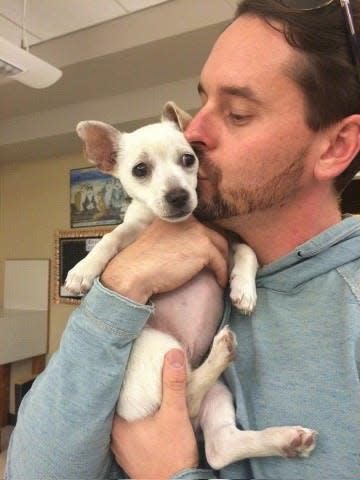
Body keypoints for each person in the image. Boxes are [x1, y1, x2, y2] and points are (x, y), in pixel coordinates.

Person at [5, 0, 360, 478]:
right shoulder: (145, 271)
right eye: (202, 101)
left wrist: (172, 473)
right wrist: (121, 286)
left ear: (335, 146)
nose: (192, 130)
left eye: (236, 112)